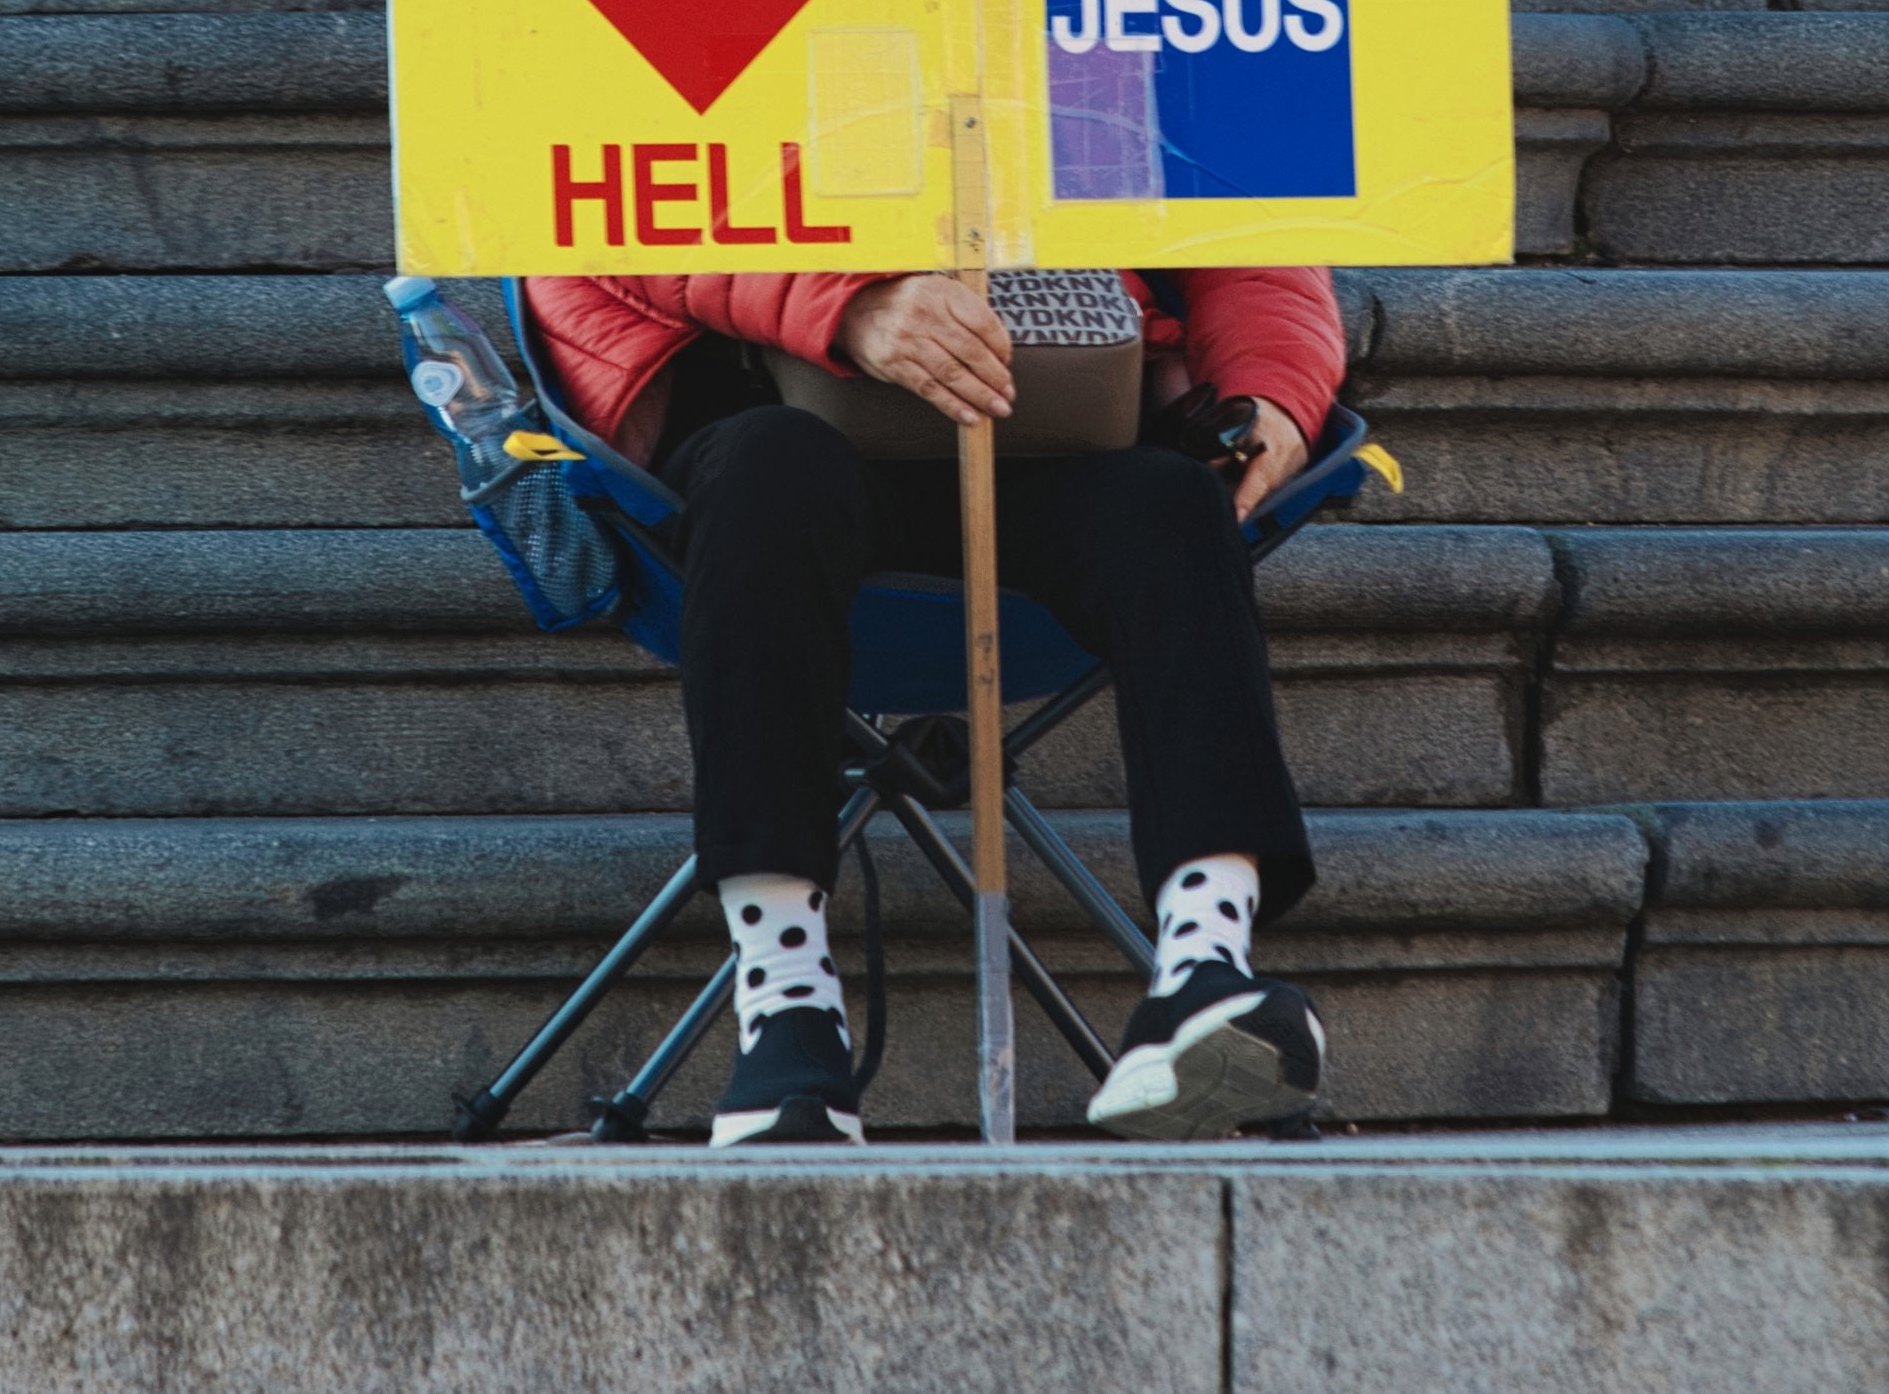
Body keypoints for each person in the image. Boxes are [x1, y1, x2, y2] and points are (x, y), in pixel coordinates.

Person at [523, 262, 1342, 1145]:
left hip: (1052, 429)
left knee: (1176, 504)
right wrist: (842, 306)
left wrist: (1273, 390)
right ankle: (784, 992)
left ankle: (1204, 963)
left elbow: (1246, 223)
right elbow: (587, 209)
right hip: (767, 421)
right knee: (769, 469)